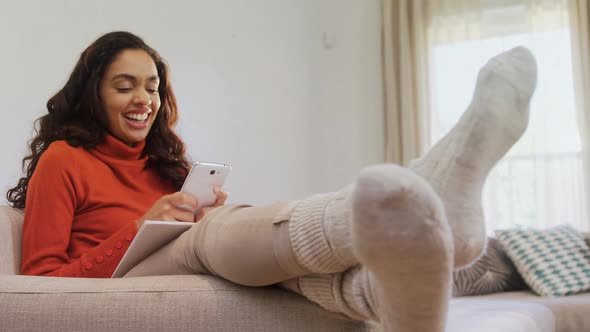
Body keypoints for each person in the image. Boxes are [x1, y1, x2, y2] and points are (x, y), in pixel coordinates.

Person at [8, 31, 537, 332]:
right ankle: (415, 196)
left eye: (151, 86)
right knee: (205, 240)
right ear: (92, 94)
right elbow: (39, 279)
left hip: (195, 254)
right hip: (125, 278)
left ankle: (389, 291)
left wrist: (201, 213)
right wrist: (141, 227)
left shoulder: (167, 162)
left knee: (236, 242)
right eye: (124, 86)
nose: (143, 99)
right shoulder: (64, 159)